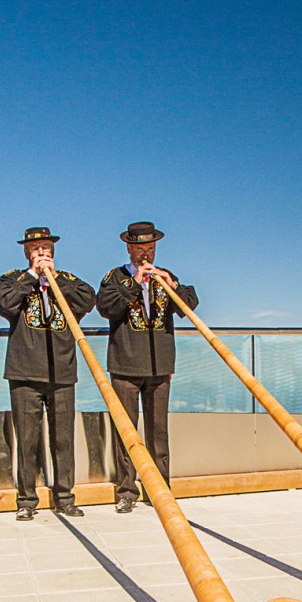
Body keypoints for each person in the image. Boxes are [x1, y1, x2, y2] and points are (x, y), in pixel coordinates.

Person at [0, 227, 97, 521]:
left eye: (47, 248)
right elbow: (6, 304)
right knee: (27, 440)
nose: (43, 253)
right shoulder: (12, 279)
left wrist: (54, 280)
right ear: (27, 252)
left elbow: (88, 301)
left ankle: (65, 496)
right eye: (37, 248)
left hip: (62, 373)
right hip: (24, 372)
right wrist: (31, 277)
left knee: (63, 439)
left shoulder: (68, 280)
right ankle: (26, 499)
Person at [97, 220, 199, 513]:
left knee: (158, 432)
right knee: (126, 432)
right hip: (125, 366)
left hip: (160, 366)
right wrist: (134, 283)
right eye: (141, 249)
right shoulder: (115, 277)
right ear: (129, 248)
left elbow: (188, 305)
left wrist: (173, 285)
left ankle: (160, 488)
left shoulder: (165, 276)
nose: (146, 255)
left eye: (151, 249)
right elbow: (105, 307)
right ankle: (126, 490)